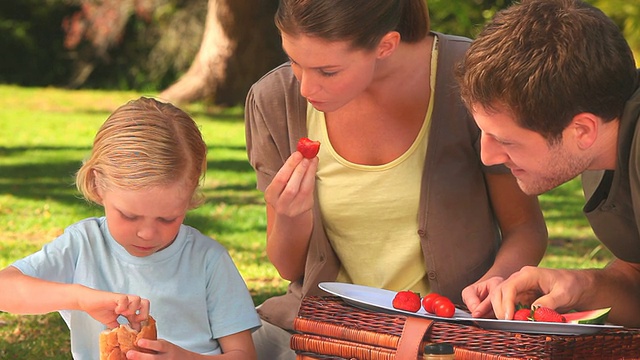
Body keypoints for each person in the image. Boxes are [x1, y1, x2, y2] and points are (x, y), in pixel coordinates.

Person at [244, 0, 548, 358]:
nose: (306, 87)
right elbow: (288, 268)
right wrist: (290, 214)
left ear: (386, 45)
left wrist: (492, 286)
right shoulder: (275, 101)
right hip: (322, 336)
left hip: (449, 339)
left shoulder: (470, 79)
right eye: (295, 61)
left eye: (327, 71)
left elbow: (525, 228)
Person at [0, 97, 261, 359]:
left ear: (190, 196)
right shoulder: (83, 245)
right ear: (97, 185)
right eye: (129, 215)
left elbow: (244, 355)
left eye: (167, 219)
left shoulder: (208, 260)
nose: (147, 233)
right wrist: (80, 299)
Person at [455, 0, 640, 327]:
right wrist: (581, 286)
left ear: (582, 130)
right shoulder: (602, 143)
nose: (488, 156)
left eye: (506, 140)